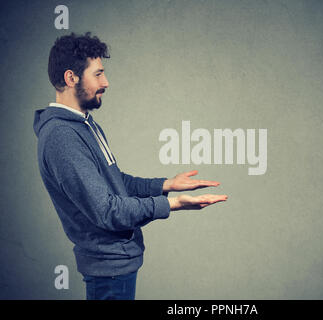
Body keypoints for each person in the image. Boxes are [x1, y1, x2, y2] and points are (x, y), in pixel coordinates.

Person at [33, 32, 227, 300]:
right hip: (108, 270)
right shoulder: (62, 137)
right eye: (98, 74)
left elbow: (115, 182)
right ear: (71, 78)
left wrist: (165, 185)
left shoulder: (84, 124)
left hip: (118, 266)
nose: (106, 82)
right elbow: (108, 210)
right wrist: (173, 204)